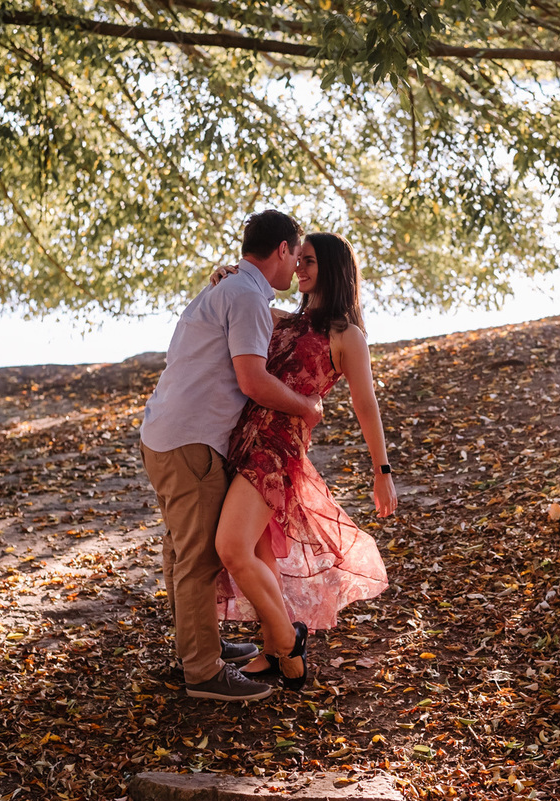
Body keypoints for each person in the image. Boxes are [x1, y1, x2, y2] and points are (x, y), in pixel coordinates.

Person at [139, 210, 323, 702]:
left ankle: (197, 650)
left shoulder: (228, 289)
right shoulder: (244, 296)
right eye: (295, 255)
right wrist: (306, 406)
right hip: (191, 444)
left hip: (163, 435)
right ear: (282, 250)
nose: (295, 269)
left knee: (182, 554)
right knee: (199, 560)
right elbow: (252, 380)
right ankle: (202, 671)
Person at [210, 232, 397, 691]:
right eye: (298, 259)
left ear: (331, 268)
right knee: (257, 552)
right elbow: (241, 306)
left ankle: (286, 637)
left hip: (277, 451)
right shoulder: (284, 321)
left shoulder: (346, 335)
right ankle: (275, 653)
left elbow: (365, 404)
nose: (298, 268)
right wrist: (226, 276)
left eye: (309, 261)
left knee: (232, 547)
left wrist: (382, 470)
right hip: (241, 441)